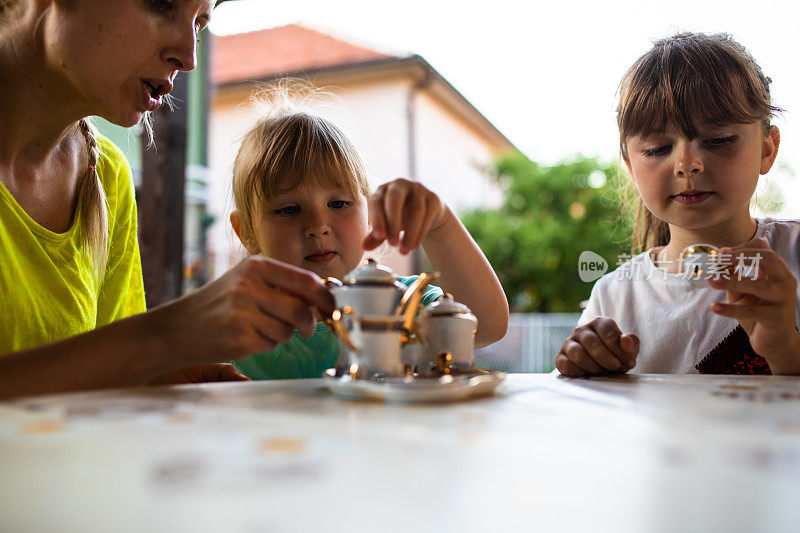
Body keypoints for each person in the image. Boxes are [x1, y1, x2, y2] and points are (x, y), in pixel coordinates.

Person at [0, 0, 335, 399]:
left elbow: (97, 378)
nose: (189, 56)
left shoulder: (105, 177)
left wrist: (156, 382)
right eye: (162, 5)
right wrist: (162, 337)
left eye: (199, 24)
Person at [557, 32, 800, 377]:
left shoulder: (794, 254)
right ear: (630, 166)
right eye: (657, 149)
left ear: (767, 148)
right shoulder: (614, 295)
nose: (687, 164)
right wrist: (582, 363)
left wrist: (785, 348)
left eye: (719, 140)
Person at [228, 91, 509, 379]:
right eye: (289, 209)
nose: (318, 226)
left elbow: (485, 324)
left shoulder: (403, 305)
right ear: (246, 231)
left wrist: (438, 224)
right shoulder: (234, 327)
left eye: (338, 204)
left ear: (370, 213)